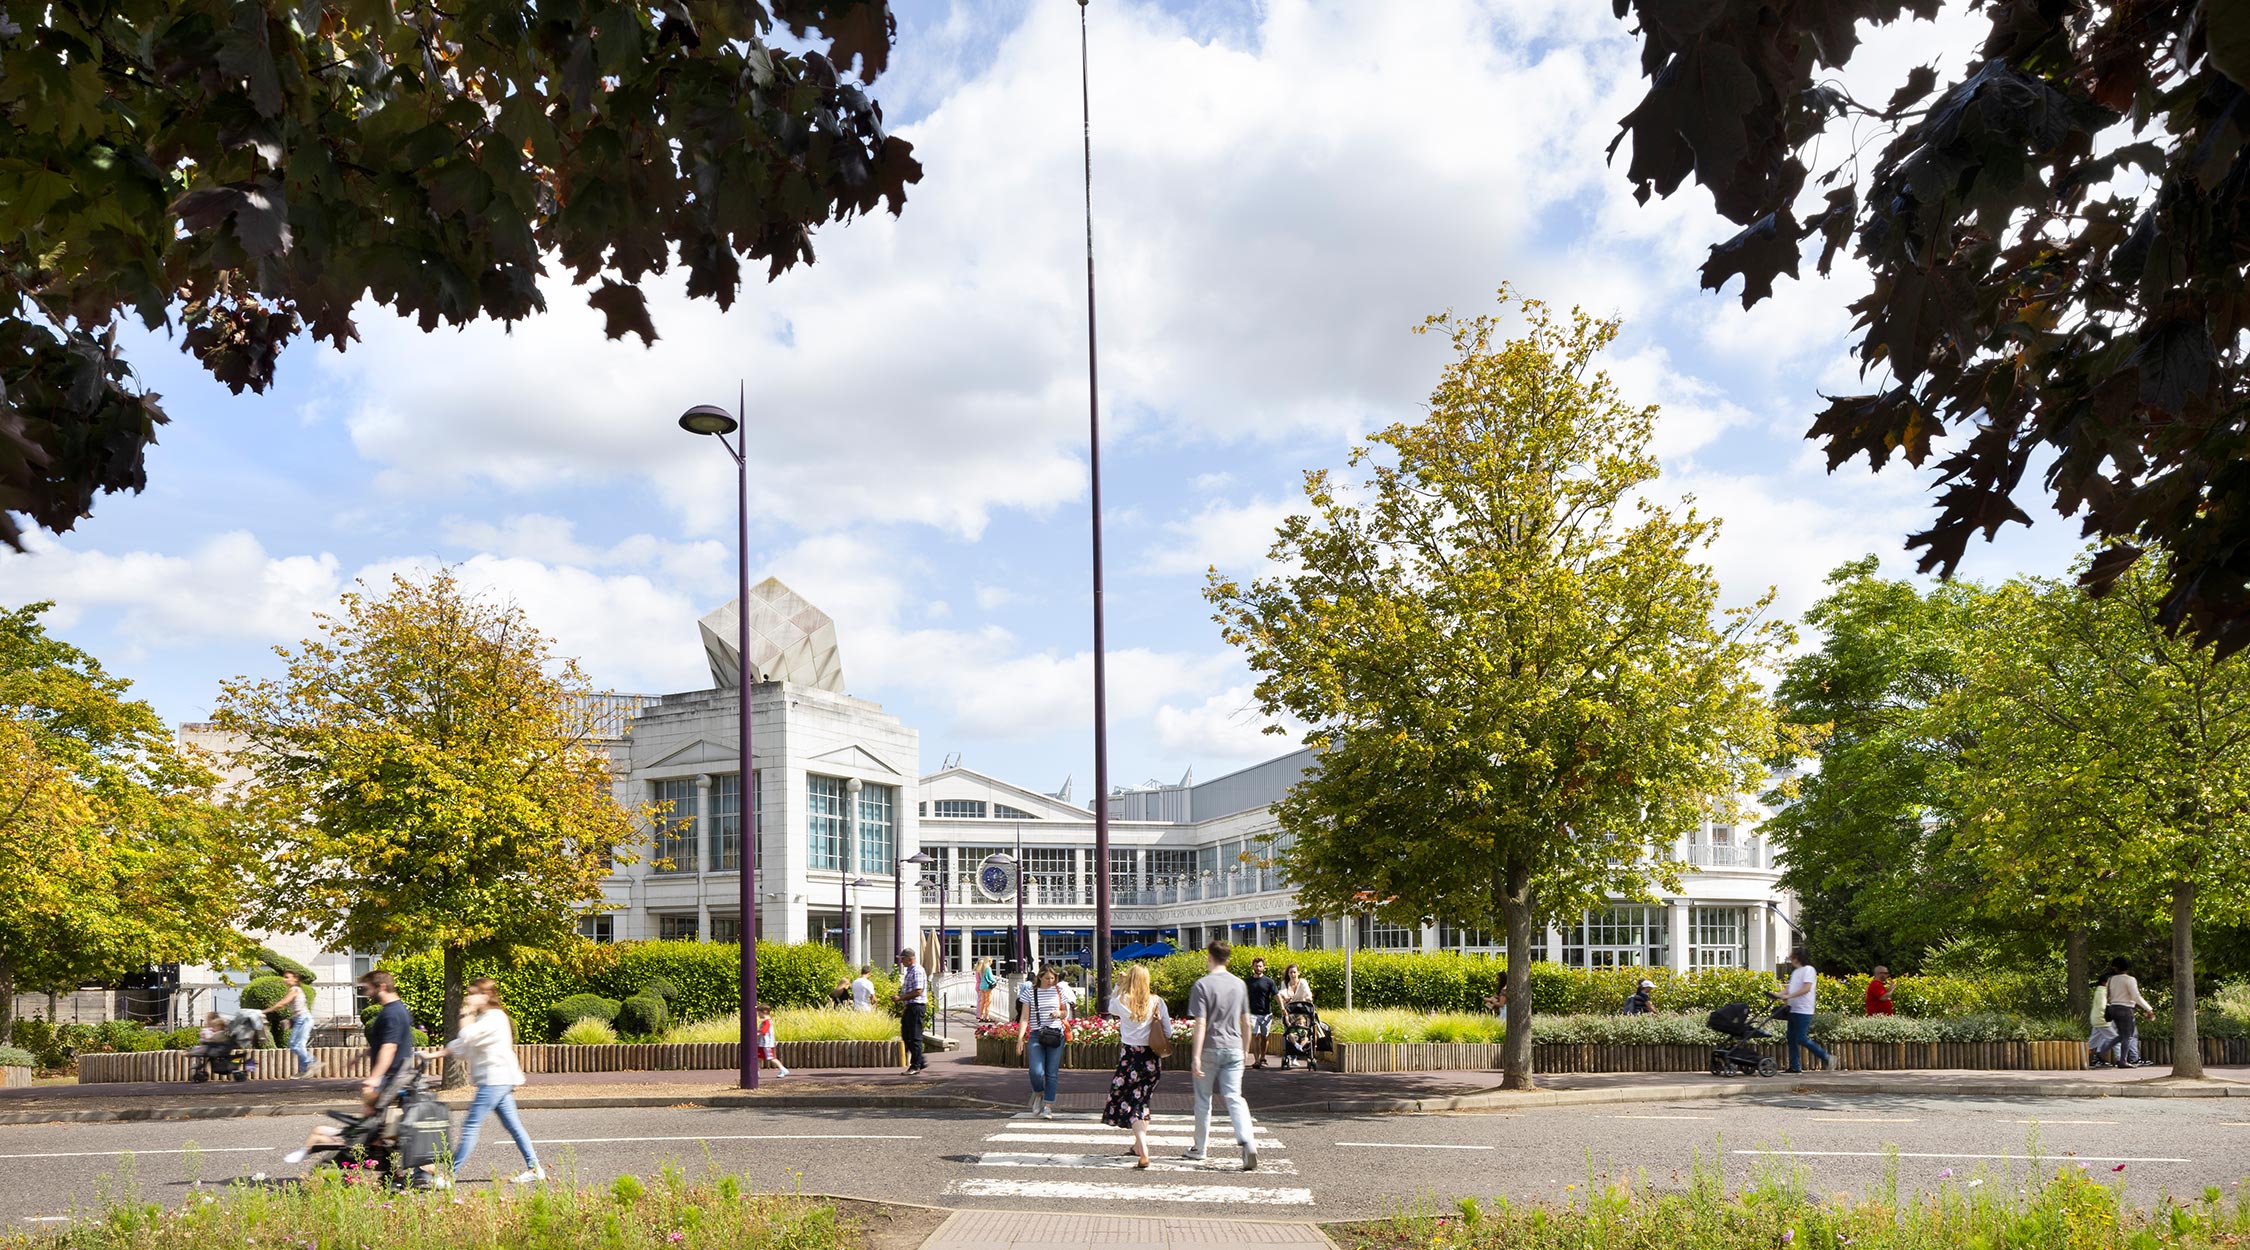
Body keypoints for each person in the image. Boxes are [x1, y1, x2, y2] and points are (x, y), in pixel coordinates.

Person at [284, 969, 413, 1165]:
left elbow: (390, 1047)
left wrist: (374, 1078)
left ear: (382, 987)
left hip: (390, 1077)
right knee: (377, 1127)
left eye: (368, 989)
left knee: (374, 1126)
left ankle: (331, 1148)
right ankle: (381, 1164)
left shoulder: (392, 1013)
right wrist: (361, 1055)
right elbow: (383, 1043)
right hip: (391, 1076)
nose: (366, 993)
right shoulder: (394, 1010)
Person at [424, 977, 542, 1185]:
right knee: (514, 1126)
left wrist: (467, 1013)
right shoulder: (486, 1018)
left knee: (470, 1126)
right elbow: (463, 1045)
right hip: (498, 1080)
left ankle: (450, 1176)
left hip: (494, 1080)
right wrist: (433, 1055)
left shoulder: (494, 1018)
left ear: (486, 995)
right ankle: (535, 1168)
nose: (469, 997)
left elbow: (467, 1036)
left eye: (473, 993)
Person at [1185, 939, 1257, 1171]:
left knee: (1203, 1100)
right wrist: (1246, 1050)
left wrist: (1195, 1055)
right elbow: (1246, 1022)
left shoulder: (1202, 985)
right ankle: (1247, 1141)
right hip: (1235, 1047)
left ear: (1209, 956)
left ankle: (1201, 1147)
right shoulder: (1239, 985)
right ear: (1228, 958)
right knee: (1234, 1097)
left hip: (1209, 1048)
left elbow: (1201, 1022)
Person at [1102, 964, 1171, 1169]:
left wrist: (1118, 984)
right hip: (1152, 1057)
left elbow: (1110, 1006)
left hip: (1130, 1056)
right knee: (1143, 1100)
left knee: (1130, 1103)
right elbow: (1168, 1030)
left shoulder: (1123, 1000)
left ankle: (1143, 1148)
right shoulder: (1157, 1001)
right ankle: (1136, 1145)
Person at [1016, 964, 1071, 1117]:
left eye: (1053, 978)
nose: (1050, 981)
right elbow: (1024, 1017)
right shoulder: (1029, 992)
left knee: (1052, 1073)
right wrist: (1020, 1038)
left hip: (1055, 1034)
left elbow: (1066, 1012)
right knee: (1036, 1071)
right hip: (1036, 1034)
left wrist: (1059, 1013)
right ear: (1040, 977)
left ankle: (1048, 1106)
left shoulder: (1059, 991)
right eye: (1047, 978)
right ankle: (1038, 1093)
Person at [1778, 947, 1834, 1074]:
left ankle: (1827, 1057)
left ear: (1797, 958)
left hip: (1804, 1009)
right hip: (1793, 1009)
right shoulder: (1796, 972)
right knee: (1791, 1038)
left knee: (1801, 1038)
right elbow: (1789, 989)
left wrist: (1788, 996)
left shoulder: (1809, 970)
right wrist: (1778, 994)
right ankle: (1795, 1066)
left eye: (1792, 956)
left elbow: (1806, 988)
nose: (1790, 958)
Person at [2100, 956, 2155, 1067]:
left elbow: (2107, 996)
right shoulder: (2130, 980)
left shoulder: (2111, 980)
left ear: (2115, 967)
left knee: (2121, 1035)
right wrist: (2148, 1009)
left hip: (2113, 1008)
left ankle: (2102, 1049)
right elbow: (2136, 996)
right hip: (2125, 1009)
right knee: (2127, 1036)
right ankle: (2122, 1061)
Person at [272, 970, 322, 1077]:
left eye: (287, 977)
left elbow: (283, 1003)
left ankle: (312, 1062)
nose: (284, 979)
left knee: (296, 1045)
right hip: (300, 1018)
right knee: (298, 1046)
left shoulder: (295, 989)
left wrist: (265, 1011)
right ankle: (304, 1070)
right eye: (284, 977)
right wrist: (291, 1020)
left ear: (295, 979)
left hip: (303, 1019)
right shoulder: (294, 989)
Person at [1276, 964, 1314, 1071]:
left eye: (1294, 972)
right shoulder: (1285, 984)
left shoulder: (1303, 982)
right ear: (1288, 974)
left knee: (1304, 1032)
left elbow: (1307, 993)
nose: (1292, 974)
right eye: (1290, 972)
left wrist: (1308, 998)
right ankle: (1291, 1056)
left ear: (1298, 973)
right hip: (1290, 1011)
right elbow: (1281, 994)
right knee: (1290, 1032)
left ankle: (1300, 1052)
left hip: (1302, 1012)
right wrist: (1285, 998)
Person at [897, 947, 929, 1075]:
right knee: (906, 1035)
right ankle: (919, 1060)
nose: (901, 962)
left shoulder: (917, 971)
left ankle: (915, 1065)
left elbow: (918, 991)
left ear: (910, 959)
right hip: (911, 1006)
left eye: (903, 959)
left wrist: (901, 998)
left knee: (915, 1036)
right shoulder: (911, 971)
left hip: (916, 1006)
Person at [1244, 957, 1279, 1069]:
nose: (1258, 968)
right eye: (1256, 966)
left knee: (1264, 1037)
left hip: (1266, 1013)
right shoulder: (1248, 981)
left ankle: (1263, 1057)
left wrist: (1282, 1008)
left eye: (1260, 966)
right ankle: (1257, 1060)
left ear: (1263, 968)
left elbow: (1276, 995)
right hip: (1252, 1013)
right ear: (1252, 967)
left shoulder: (1269, 981)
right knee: (1256, 1036)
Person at [2086, 976, 2117, 1068]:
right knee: (2116, 1039)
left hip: (2097, 1019)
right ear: (2104, 982)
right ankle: (2121, 1060)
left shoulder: (2099, 991)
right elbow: (2102, 1007)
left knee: (2092, 1042)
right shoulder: (2103, 992)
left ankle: (2089, 1059)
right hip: (2102, 1020)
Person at [757, 1003, 790, 1077]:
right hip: (763, 1043)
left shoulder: (767, 1021)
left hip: (766, 1043)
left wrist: (757, 1033)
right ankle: (756, 1072)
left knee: (771, 1058)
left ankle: (783, 1069)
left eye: (759, 1013)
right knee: (759, 1058)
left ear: (764, 1012)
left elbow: (764, 1031)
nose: (758, 1015)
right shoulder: (766, 1021)